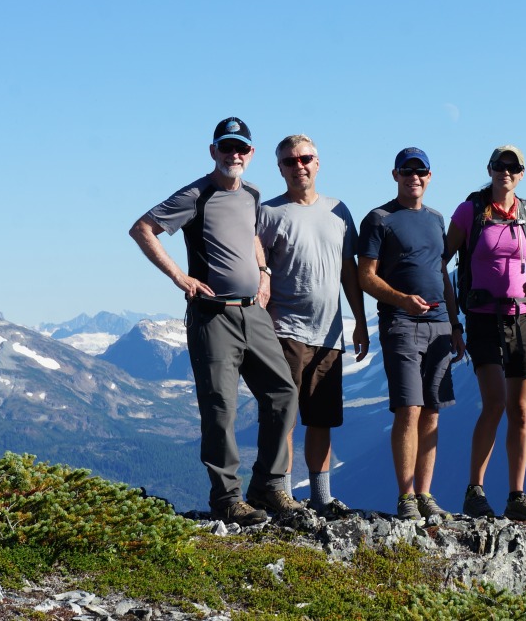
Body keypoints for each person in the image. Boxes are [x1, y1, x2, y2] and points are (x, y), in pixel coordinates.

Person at [129, 117, 300, 526]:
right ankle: (227, 498)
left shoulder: (254, 194)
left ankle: (268, 487)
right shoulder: (196, 194)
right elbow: (143, 229)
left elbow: (254, 236)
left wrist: (264, 274)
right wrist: (179, 277)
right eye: (227, 147)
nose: (234, 154)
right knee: (220, 407)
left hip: (253, 312)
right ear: (213, 151)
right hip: (212, 316)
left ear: (251, 153)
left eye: (241, 148)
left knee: (282, 392)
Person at [258, 134, 370, 518]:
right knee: (285, 418)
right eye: (290, 161)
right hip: (283, 330)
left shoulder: (338, 210)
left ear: (318, 163)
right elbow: (258, 269)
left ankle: (321, 498)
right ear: (280, 168)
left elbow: (348, 271)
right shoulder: (269, 213)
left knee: (321, 419)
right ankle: (282, 496)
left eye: (305, 158)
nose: (298, 166)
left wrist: (358, 321)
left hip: (329, 333)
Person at [357, 147, 465, 520]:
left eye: (420, 172)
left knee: (432, 412)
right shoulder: (379, 219)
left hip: (438, 328)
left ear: (429, 177)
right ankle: (406, 497)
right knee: (409, 408)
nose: (414, 178)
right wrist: (402, 300)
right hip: (400, 324)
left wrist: (454, 324)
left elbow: (442, 277)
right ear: (395, 175)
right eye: (407, 171)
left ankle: (425, 494)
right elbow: (365, 276)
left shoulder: (437, 220)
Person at [444, 145, 526, 521]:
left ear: (522, 173)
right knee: (494, 402)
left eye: (513, 167)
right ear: (489, 169)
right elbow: (441, 262)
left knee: (521, 410)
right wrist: (454, 320)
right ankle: (475, 490)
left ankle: (517, 495)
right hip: (483, 316)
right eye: (499, 165)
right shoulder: (470, 210)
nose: (505, 171)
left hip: (523, 317)